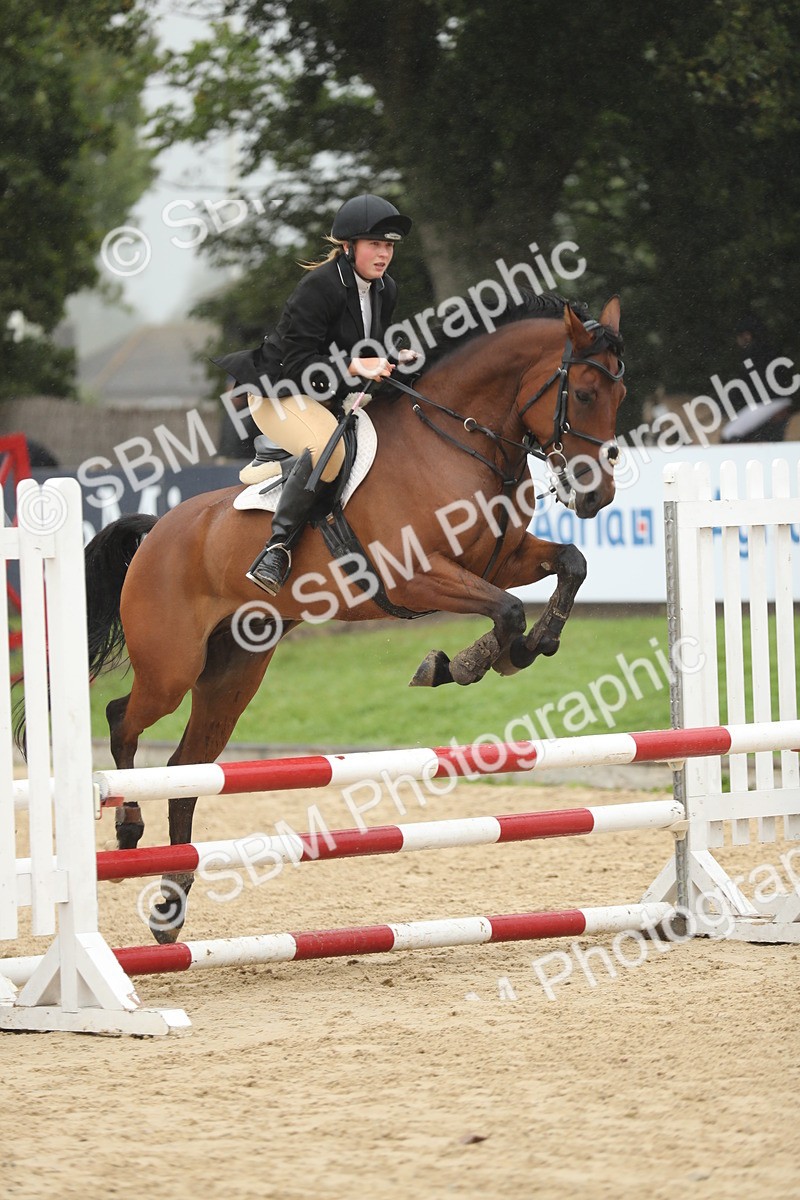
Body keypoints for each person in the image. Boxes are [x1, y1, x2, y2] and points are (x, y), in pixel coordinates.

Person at [214, 193, 413, 595]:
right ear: (348, 246)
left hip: (323, 396)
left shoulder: (384, 289)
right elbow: (300, 365)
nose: (383, 254)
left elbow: (367, 348)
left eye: (389, 246)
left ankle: (285, 462)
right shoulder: (319, 287)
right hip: (278, 393)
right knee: (329, 449)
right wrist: (356, 366)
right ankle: (277, 548)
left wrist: (396, 358)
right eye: (375, 244)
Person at [720, 315, 795, 443]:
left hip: (768, 402)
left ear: (747, 336)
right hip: (784, 399)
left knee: (730, 432)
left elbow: (743, 385)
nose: (738, 341)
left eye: (739, 337)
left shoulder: (751, 354)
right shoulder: (772, 350)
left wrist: (723, 406)